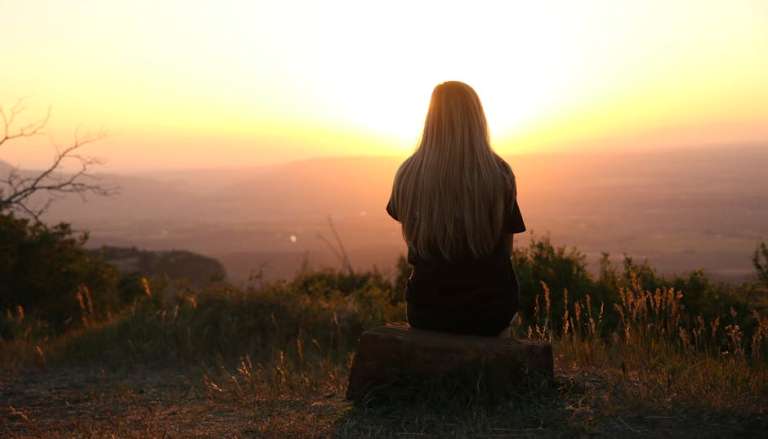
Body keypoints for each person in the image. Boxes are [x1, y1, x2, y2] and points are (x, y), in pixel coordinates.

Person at [386, 81, 526, 337]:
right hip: (491, 310)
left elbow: (413, 236)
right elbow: (505, 252)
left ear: (431, 119)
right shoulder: (499, 174)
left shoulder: (408, 174)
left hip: (427, 310)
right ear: (477, 119)